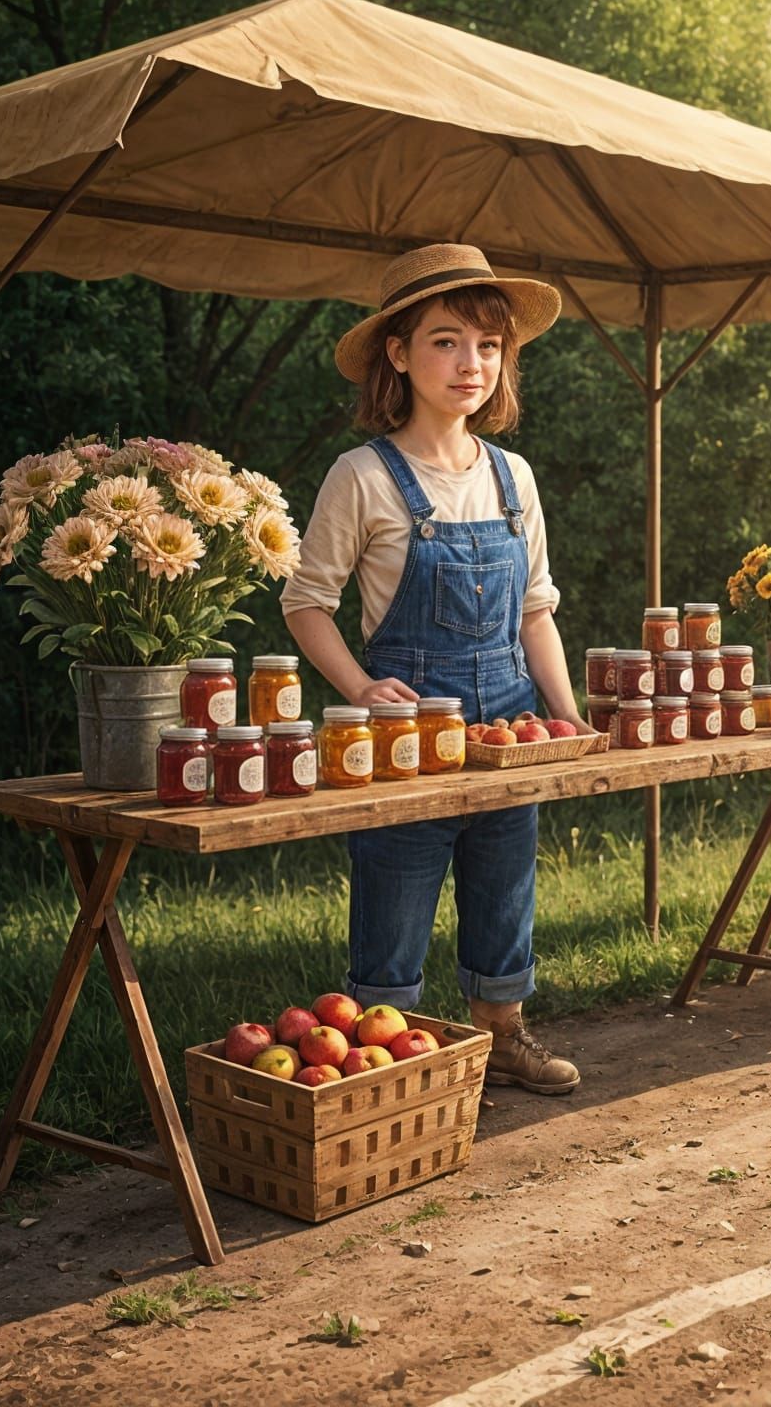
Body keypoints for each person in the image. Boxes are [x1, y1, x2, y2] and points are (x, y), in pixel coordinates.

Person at [281, 243, 588, 1094]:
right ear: (399, 352)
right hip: (406, 736)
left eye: (488, 346)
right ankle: (387, 1068)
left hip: (509, 730)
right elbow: (306, 602)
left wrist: (568, 720)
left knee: (504, 888)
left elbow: (535, 611)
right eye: (447, 341)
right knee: (396, 896)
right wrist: (358, 687)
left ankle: (502, 1039)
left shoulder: (512, 476)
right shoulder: (363, 477)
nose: (471, 364)